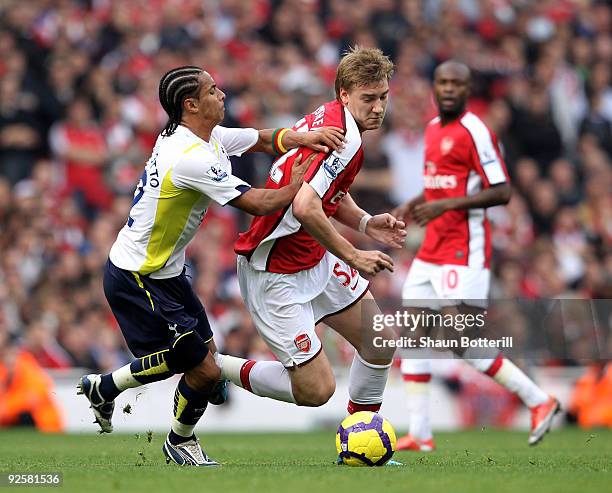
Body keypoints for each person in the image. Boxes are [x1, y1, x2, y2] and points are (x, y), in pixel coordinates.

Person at [77, 66, 345, 466]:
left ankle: (147, 418)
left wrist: (305, 137)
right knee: (196, 363)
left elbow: (263, 139)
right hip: (137, 275)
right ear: (191, 104)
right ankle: (120, 397)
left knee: (205, 367)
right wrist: (302, 185)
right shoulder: (188, 158)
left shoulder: (204, 136)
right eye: (212, 90)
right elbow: (258, 202)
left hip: (168, 273)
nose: (222, 94)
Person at [218, 47, 405, 460]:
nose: (378, 108)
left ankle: (358, 442)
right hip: (276, 272)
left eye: (383, 97)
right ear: (344, 94)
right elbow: (305, 206)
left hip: (313, 258)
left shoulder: (332, 118)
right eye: (368, 98)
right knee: (317, 391)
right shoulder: (347, 137)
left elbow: (325, 190)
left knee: (378, 343)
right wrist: (354, 254)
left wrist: (363, 222)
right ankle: (216, 367)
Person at [392, 61, 560, 452]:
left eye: (456, 83)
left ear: (467, 90)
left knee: (460, 339)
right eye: (442, 82)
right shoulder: (433, 129)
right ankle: (421, 433)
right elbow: (440, 184)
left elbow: (501, 191)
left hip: (463, 251)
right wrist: (413, 203)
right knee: (414, 333)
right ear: (435, 87)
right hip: (433, 247)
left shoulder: (476, 132)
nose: (448, 89)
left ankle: (539, 399)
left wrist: (445, 205)